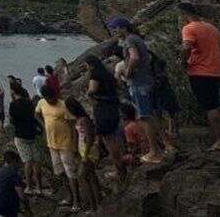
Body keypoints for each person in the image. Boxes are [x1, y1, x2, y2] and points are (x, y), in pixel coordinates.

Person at [106, 16, 164, 164]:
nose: (114, 32)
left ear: (123, 28)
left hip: (139, 83)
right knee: (150, 115)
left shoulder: (129, 40)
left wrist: (128, 72)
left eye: (116, 29)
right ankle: (163, 146)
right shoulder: (136, 38)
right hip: (146, 80)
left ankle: (154, 152)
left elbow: (134, 57)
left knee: (144, 117)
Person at [178, 2, 220, 151]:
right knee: (216, 104)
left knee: (210, 107)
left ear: (184, 14)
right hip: (216, 71)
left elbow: (186, 47)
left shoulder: (189, 28)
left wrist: (183, 62)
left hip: (200, 72)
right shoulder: (211, 28)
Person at [79, 54, 125, 184]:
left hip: (103, 109)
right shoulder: (108, 73)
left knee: (109, 140)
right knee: (115, 137)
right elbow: (118, 85)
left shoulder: (95, 75)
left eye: (87, 65)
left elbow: (92, 90)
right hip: (113, 107)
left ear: (91, 65)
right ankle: (121, 166)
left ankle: (119, 171)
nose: (86, 68)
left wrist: (88, 95)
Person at [34, 84, 79, 210]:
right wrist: (44, 126)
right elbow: (36, 114)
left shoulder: (63, 105)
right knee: (59, 172)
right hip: (52, 144)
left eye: (51, 98)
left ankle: (77, 201)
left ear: (55, 95)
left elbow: (72, 126)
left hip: (65, 144)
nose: (50, 101)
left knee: (71, 172)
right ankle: (69, 196)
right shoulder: (41, 103)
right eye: (47, 98)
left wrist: (75, 145)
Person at [6, 84, 43, 196]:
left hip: (20, 136)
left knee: (27, 161)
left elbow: (12, 120)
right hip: (32, 134)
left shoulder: (12, 105)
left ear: (13, 92)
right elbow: (33, 116)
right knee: (36, 161)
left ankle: (29, 187)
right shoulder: (29, 102)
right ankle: (39, 187)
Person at [67, 97, 101, 214]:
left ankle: (93, 206)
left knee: (82, 177)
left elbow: (90, 138)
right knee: (91, 177)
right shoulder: (79, 119)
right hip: (84, 151)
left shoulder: (84, 120)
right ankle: (98, 203)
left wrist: (85, 155)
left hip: (89, 152)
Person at [0, 150, 32, 217]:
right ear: (14, 161)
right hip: (4, 211)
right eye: (19, 163)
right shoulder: (13, 173)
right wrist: (28, 208)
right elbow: (21, 195)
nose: (19, 166)